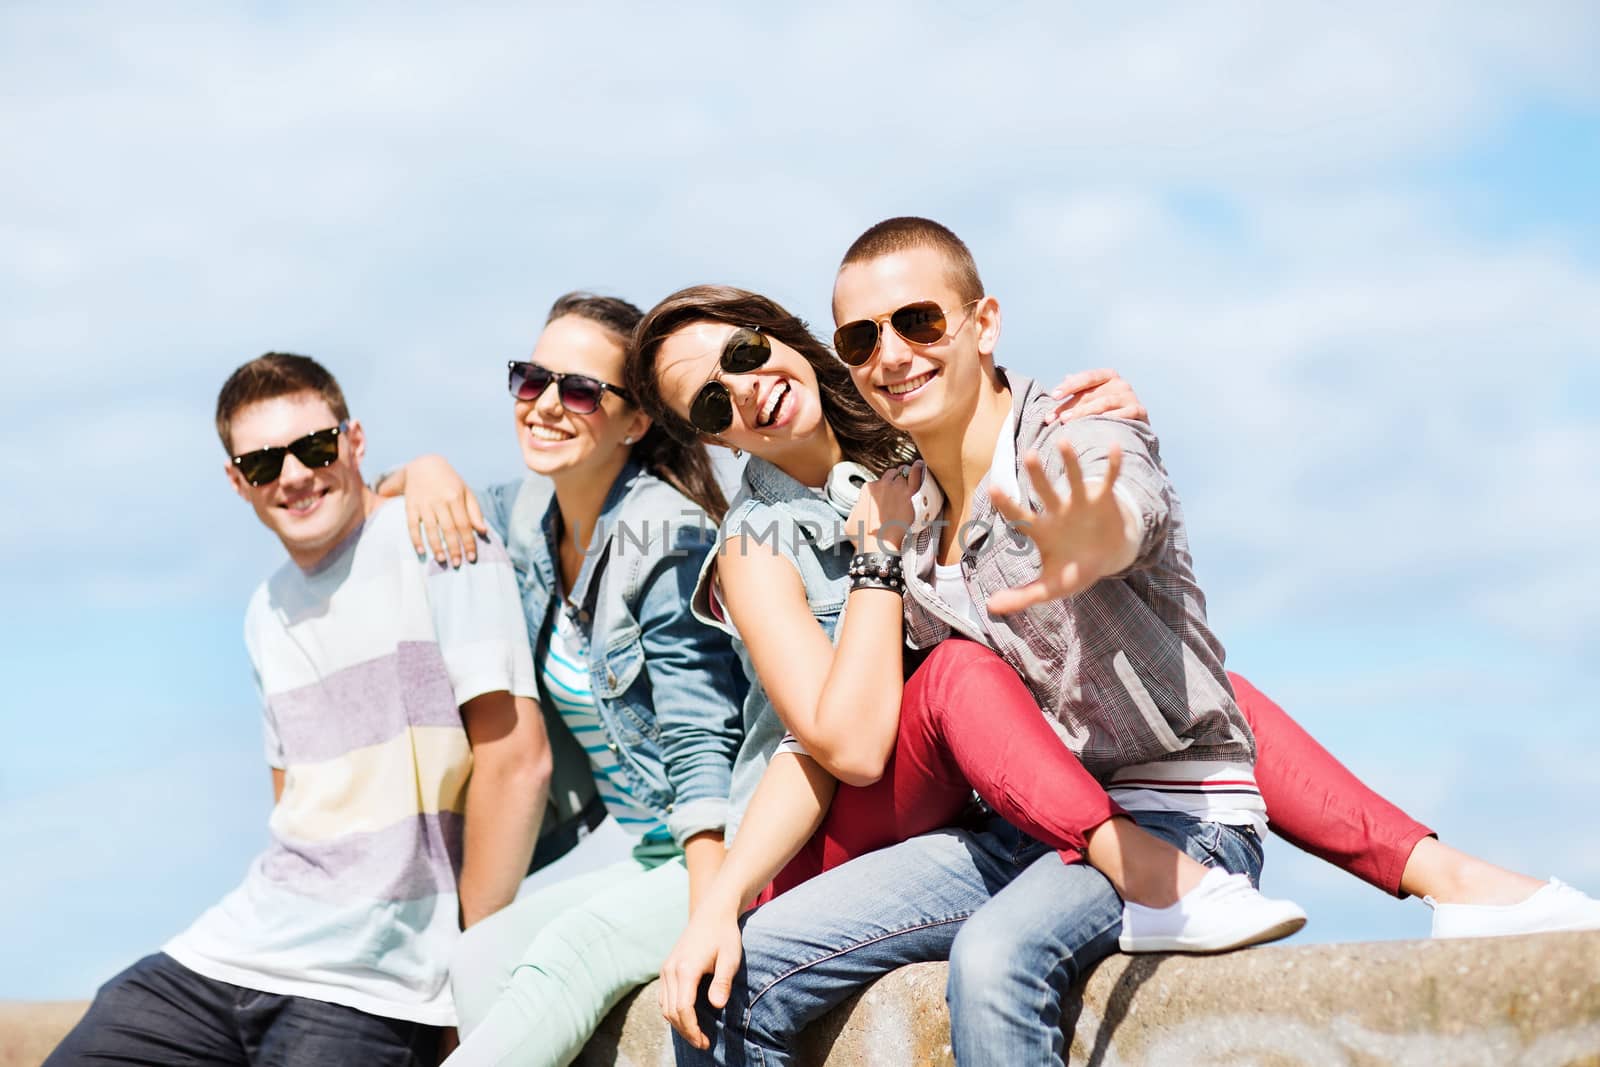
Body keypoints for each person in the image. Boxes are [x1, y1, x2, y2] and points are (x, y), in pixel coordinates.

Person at [634, 219, 1600, 1065]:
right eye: (710, 405)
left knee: (1190, 682)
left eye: (748, 352)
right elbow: (834, 745)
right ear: (713, 440)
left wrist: (1096, 532)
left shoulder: (944, 451)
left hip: (1028, 790)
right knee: (964, 679)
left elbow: (1105, 488)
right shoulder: (800, 534)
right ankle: (1166, 860)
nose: (746, 391)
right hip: (858, 808)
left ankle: (1451, 877)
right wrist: (717, 901)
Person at [46, 353, 551, 1066]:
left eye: (314, 447)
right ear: (237, 480)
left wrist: (469, 976)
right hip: (234, 950)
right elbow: (292, 800)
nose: (293, 475)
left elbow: (518, 762)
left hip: (371, 980)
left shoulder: (438, 541)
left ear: (355, 440)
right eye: (262, 464)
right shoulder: (265, 609)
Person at [375, 292, 746, 1067]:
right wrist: (423, 469)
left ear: (636, 420)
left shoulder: (667, 539)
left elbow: (700, 739)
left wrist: (715, 901)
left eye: (579, 389)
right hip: (652, 857)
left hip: (727, 849)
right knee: (475, 961)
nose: (545, 404)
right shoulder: (530, 518)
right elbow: (390, 503)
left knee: (569, 953)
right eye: (529, 378)